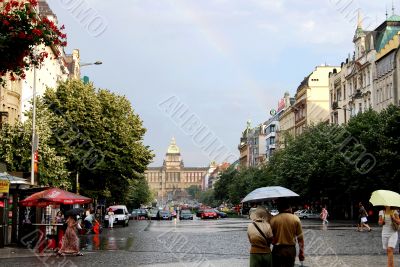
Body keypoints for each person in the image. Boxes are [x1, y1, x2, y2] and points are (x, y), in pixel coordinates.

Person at [270, 199, 305, 267]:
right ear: (289, 207)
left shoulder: (273, 219)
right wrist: (301, 252)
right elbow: (300, 238)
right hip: (290, 250)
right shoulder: (296, 219)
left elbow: (270, 237)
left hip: (277, 249)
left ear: (279, 208)